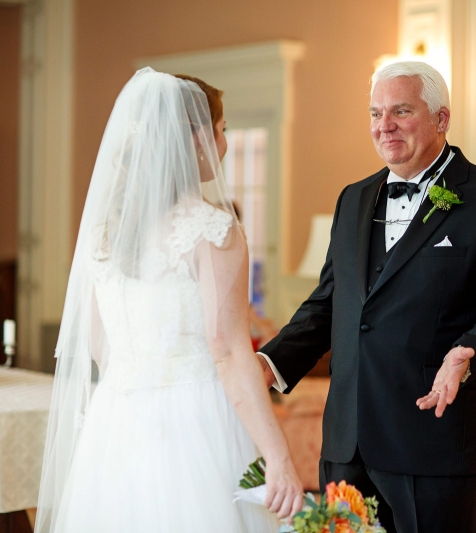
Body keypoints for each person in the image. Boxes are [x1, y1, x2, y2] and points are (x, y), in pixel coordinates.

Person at [258, 61, 476, 533]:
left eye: (401, 111)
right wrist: (270, 363)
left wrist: (467, 353)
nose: (383, 125)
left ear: (441, 118)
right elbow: (329, 303)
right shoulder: (352, 199)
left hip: (433, 440)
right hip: (347, 442)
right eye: (375, 113)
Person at [34, 68, 303, 533]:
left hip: (116, 419)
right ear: (197, 140)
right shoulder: (214, 229)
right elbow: (228, 350)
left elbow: (99, 344)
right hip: (196, 420)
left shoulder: (105, 232)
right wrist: (278, 455)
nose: (223, 143)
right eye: (221, 129)